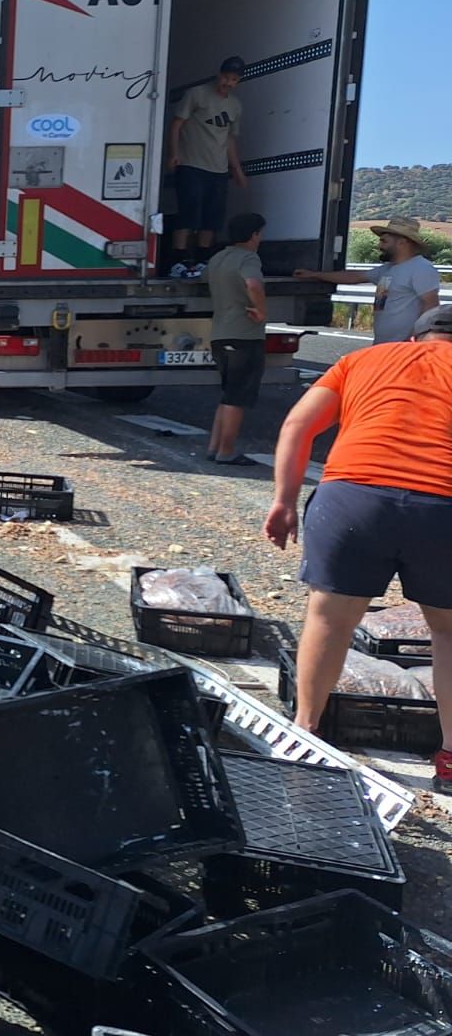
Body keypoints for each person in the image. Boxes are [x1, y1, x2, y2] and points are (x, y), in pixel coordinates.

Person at [263, 304, 452, 795]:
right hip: (445, 505)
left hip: (353, 497)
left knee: (328, 620)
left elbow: (297, 426)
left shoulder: (364, 360)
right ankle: (450, 758)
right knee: (448, 633)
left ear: (413, 341)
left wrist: (284, 502)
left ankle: (304, 732)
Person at [294, 216, 442, 344]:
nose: (379, 246)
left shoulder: (421, 268)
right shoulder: (387, 269)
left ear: (402, 242)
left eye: (384, 241)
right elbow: (354, 277)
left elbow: (431, 305)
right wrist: (315, 275)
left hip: (403, 347)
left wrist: (414, 339)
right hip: (384, 344)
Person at [167, 56, 249, 263]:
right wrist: (174, 153)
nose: (228, 83)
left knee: (212, 219)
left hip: (218, 170)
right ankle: (178, 260)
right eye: (226, 77)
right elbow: (177, 124)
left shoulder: (235, 106)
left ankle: (203, 260)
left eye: (234, 80)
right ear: (219, 75)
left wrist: (237, 170)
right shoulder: (197, 94)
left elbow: (230, 139)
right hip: (191, 164)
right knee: (188, 213)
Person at [205, 212, 267, 466]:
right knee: (238, 396)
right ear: (254, 235)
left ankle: (214, 447)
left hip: (220, 333)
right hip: (244, 334)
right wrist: (261, 310)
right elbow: (253, 284)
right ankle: (226, 450)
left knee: (228, 393)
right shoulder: (248, 258)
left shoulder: (218, 258)